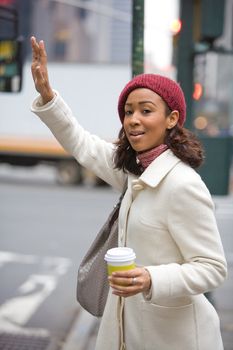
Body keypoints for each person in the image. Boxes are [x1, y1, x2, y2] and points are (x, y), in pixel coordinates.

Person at [30, 36, 227, 350]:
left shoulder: (183, 185)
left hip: (177, 339)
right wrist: (49, 97)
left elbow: (212, 268)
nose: (133, 119)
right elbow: (82, 143)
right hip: (126, 332)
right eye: (128, 111)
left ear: (171, 119)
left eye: (146, 111)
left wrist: (150, 278)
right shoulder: (133, 169)